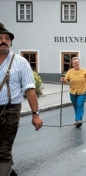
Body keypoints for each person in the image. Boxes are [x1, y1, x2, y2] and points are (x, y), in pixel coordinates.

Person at [0, 23, 43, 175]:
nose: (3, 41)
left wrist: (35, 114)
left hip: (11, 110)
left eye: (7, 38)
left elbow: (30, 90)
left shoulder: (21, 62)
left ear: (11, 42)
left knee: (4, 150)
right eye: (0, 38)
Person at [61, 57, 86, 127]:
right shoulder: (69, 72)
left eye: (77, 62)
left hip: (83, 91)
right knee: (75, 106)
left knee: (80, 104)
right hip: (73, 92)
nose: (76, 64)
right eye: (75, 63)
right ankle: (78, 119)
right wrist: (63, 80)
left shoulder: (84, 71)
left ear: (79, 63)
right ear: (72, 65)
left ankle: (78, 119)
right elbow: (66, 81)